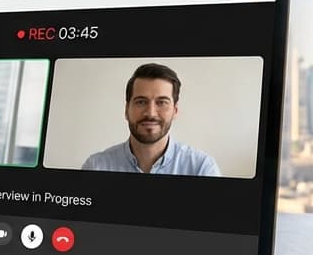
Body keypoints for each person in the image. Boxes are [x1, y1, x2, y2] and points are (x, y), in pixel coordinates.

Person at [80, 62, 221, 176]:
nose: (151, 113)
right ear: (126, 110)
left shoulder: (201, 169)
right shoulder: (96, 167)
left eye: (162, 102)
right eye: (141, 102)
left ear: (175, 111)